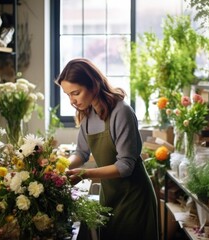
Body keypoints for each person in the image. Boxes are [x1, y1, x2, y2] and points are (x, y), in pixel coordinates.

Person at [56, 58, 159, 240]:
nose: (72, 100)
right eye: (68, 95)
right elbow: (81, 153)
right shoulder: (87, 114)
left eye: (76, 93)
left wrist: (85, 174)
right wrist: (60, 166)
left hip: (134, 199)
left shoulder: (121, 111)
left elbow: (125, 166)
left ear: (93, 85)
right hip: (110, 197)